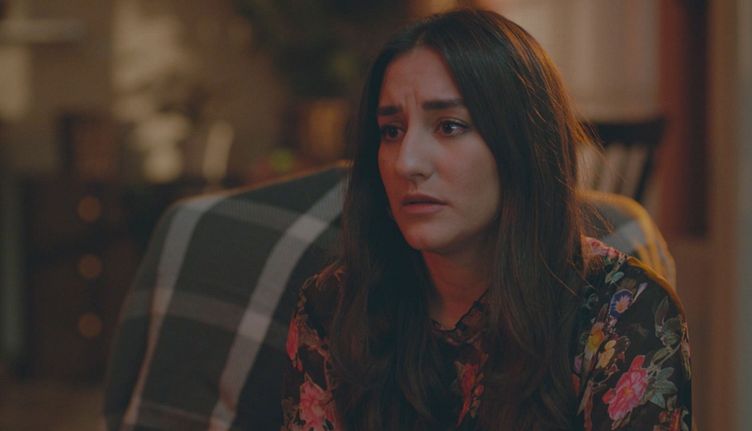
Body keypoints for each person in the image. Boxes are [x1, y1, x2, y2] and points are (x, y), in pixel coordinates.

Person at [281, 8, 691, 431]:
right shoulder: (335, 305)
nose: (406, 162)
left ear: (522, 144)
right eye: (391, 131)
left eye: (449, 126)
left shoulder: (626, 315)